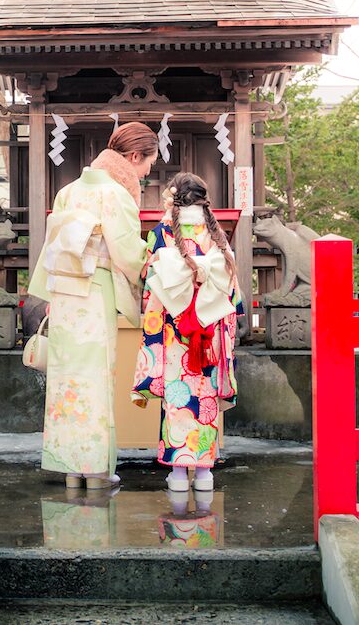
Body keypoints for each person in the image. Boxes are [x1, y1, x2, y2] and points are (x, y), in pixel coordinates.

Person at [28, 122, 159, 489]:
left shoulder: (68, 191)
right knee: (97, 378)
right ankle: (98, 470)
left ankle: (71, 470)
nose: (146, 173)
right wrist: (155, 262)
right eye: (148, 164)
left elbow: (52, 249)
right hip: (95, 293)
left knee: (66, 379)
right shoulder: (116, 194)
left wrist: (50, 294)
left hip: (64, 292)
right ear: (134, 156)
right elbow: (128, 253)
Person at [131, 172, 241, 492]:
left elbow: (150, 283)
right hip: (208, 328)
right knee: (205, 396)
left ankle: (179, 474)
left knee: (178, 397)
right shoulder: (216, 234)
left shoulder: (161, 232)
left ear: (173, 198)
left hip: (175, 328)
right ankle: (205, 473)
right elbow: (232, 292)